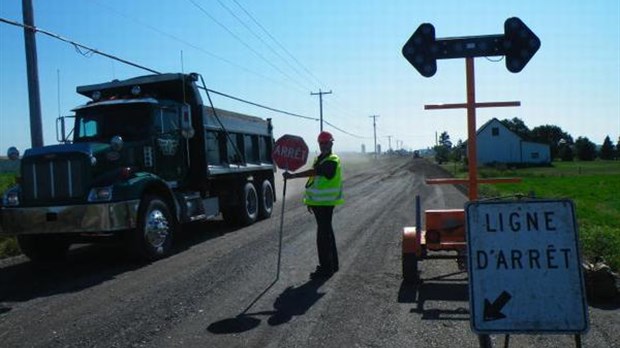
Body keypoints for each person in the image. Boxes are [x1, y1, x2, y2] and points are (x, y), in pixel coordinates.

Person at [283, 131, 344, 280]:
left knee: (323, 236)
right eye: (321, 143)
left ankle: (326, 269)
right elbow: (314, 180)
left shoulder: (332, 160)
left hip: (326, 203)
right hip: (318, 203)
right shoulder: (319, 158)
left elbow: (319, 173)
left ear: (331, 143)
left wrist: (293, 176)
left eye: (326, 143)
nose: (323, 145)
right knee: (327, 233)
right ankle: (332, 265)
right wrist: (310, 202)